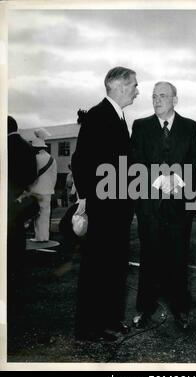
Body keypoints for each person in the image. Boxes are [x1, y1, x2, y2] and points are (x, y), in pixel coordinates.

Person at [71, 66, 139, 342]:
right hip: (104, 208)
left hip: (117, 208)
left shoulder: (118, 116)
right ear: (120, 86)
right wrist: (89, 200)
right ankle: (89, 328)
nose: (137, 90)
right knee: (98, 269)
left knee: (114, 267)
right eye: (134, 85)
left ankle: (110, 319)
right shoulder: (98, 116)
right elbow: (80, 161)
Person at [131, 81, 196, 329]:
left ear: (175, 99)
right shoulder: (140, 126)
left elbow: (195, 158)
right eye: (153, 96)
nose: (156, 100)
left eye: (162, 95)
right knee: (149, 258)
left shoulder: (190, 127)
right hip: (149, 207)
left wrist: (177, 178)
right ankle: (144, 308)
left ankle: (180, 309)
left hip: (178, 208)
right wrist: (161, 178)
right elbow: (136, 160)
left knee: (178, 258)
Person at [7, 115, 38, 331]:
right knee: (18, 240)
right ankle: (16, 280)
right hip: (20, 200)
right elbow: (32, 174)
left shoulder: (5, 146)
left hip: (6, 199)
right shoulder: (27, 147)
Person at [29, 128, 57, 242]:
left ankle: (38, 237)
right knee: (45, 215)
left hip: (35, 190)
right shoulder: (52, 159)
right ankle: (45, 237)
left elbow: (31, 175)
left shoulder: (34, 158)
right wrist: (50, 188)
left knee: (36, 214)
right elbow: (54, 177)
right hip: (47, 191)